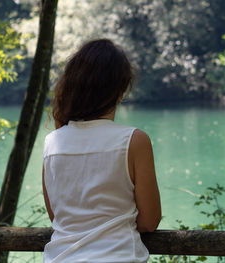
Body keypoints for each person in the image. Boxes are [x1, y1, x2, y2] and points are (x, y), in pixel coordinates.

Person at [42, 39, 161, 262]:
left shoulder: (52, 143)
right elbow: (149, 221)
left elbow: (58, 217)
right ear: (119, 89)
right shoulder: (134, 141)